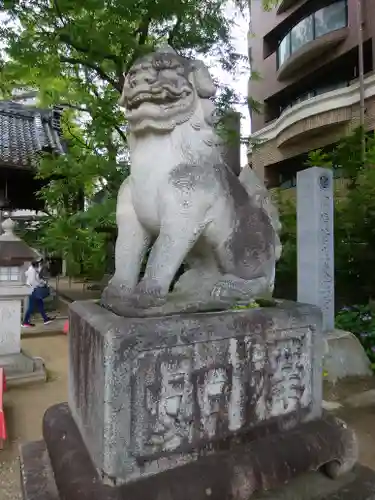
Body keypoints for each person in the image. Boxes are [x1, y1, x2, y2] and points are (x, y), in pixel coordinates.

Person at [22, 260, 53, 328]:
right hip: (33, 290)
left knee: (40, 304)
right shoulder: (32, 270)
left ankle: (45, 319)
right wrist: (41, 285)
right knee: (31, 307)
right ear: (36, 264)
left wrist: (43, 282)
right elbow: (33, 281)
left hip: (34, 289)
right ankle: (25, 322)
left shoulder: (34, 269)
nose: (39, 265)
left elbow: (37, 278)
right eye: (39, 264)